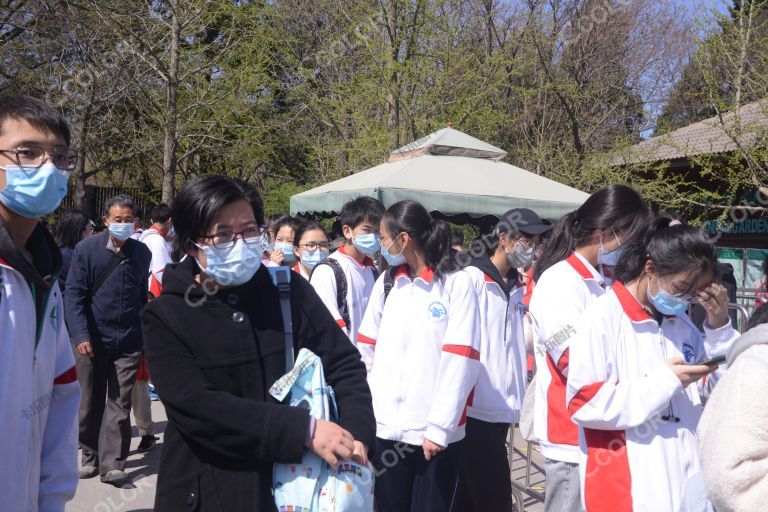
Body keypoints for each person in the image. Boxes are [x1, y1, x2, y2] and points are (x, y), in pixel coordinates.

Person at [141, 175, 375, 511]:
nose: (239, 242)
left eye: (250, 230)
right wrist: (303, 431)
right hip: (206, 492)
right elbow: (196, 406)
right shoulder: (167, 313)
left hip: (298, 490)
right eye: (222, 234)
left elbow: (344, 364)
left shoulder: (289, 291)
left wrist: (357, 436)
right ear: (192, 244)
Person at [565, 217, 739, 511]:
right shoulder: (602, 318)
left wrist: (719, 329)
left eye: (695, 293)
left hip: (684, 480)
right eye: (681, 287)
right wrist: (664, 382)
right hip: (629, 485)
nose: (685, 300)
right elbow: (584, 402)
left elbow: (715, 391)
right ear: (650, 269)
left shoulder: (681, 323)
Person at [529, 184, 651, 512]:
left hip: (602, 426)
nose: (631, 248)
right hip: (570, 433)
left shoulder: (602, 282)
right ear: (605, 232)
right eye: (630, 237)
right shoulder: (559, 282)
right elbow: (572, 359)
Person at [358, 200, 480, 512]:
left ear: (403, 239)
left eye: (384, 238)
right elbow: (366, 348)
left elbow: (461, 360)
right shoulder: (387, 283)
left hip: (431, 434)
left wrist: (440, 428)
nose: (380, 245)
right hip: (385, 429)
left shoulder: (457, 282)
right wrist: (368, 411)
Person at [0, 94, 81, 511]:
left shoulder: (46, 273)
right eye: (27, 153)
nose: (47, 168)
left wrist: (52, 499)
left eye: (60, 157)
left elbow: (61, 393)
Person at [455, 208, 552, 511]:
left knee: (469, 499)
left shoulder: (515, 286)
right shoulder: (471, 279)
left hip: (502, 410)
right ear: (504, 239)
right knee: (494, 499)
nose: (532, 249)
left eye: (536, 243)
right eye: (527, 241)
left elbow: (515, 343)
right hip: (476, 410)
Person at [65, 194, 152, 486]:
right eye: (118, 220)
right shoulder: (86, 250)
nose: (124, 225)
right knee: (89, 403)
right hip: (91, 341)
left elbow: (142, 294)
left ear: (136, 222)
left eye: (129, 220)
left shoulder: (142, 253)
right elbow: (74, 295)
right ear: (106, 221)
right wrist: (80, 335)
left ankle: (113, 462)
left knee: (120, 403)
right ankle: (89, 455)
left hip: (128, 341)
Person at [310, 196, 384, 342]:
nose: (373, 237)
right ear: (347, 231)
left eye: (377, 232)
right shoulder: (327, 271)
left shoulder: (372, 271)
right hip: (345, 360)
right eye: (367, 230)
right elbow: (328, 327)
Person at [54, 209, 94, 292]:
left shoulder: (59, 252)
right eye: (90, 228)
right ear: (80, 231)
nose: (92, 234)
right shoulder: (70, 257)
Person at [140, 203, 174, 298]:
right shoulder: (157, 240)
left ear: (151, 220)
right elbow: (162, 270)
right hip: (154, 289)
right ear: (170, 220)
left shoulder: (145, 236)